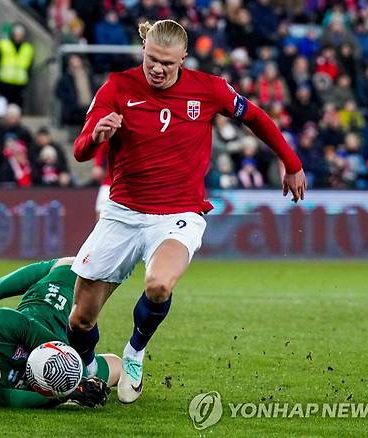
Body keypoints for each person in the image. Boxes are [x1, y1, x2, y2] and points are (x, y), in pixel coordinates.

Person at [67, 20, 307, 404]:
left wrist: (290, 162)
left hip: (179, 213)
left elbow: (256, 117)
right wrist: (97, 136)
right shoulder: (117, 86)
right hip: (122, 212)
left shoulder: (209, 88)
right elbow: (80, 150)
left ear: (183, 56)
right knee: (80, 318)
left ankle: (134, 352)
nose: (157, 69)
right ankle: (86, 372)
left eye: (166, 62)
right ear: (143, 48)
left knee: (159, 285)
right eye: (150, 59)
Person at [0, 257, 119, 408]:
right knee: (118, 369)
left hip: (57, 300)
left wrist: (77, 382)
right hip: (55, 351)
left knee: (69, 266)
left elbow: (58, 347)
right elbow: (7, 398)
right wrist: (66, 394)